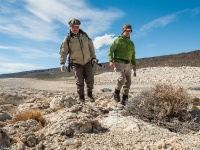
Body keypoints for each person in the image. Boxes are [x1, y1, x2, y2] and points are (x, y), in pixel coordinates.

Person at [59, 18, 97, 102]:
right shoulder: (68, 39)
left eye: (77, 26)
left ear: (79, 27)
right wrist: (62, 63)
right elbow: (63, 51)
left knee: (90, 79)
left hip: (87, 61)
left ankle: (90, 95)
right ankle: (81, 98)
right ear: (70, 27)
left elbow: (91, 46)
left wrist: (93, 57)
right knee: (79, 81)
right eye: (73, 27)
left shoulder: (85, 36)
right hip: (76, 63)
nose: (75, 28)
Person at [108, 24, 136, 105]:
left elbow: (133, 54)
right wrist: (111, 60)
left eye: (129, 31)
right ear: (123, 31)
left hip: (128, 64)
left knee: (128, 82)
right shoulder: (117, 40)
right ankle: (116, 92)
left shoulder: (131, 43)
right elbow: (110, 50)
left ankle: (125, 98)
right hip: (118, 62)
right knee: (121, 79)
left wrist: (134, 64)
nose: (128, 32)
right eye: (126, 30)